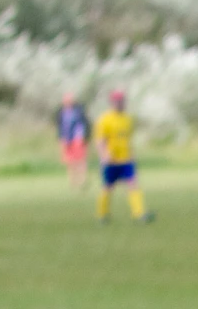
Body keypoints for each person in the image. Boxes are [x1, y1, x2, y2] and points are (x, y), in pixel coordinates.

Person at [93, 90, 149, 223]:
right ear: (112, 102)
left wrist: (132, 155)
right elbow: (100, 140)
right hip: (111, 160)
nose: (120, 103)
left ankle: (139, 213)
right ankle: (102, 214)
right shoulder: (105, 119)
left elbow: (128, 139)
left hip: (126, 159)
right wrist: (104, 156)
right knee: (107, 187)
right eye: (117, 101)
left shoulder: (127, 119)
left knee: (133, 184)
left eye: (122, 100)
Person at [57, 93, 90, 191]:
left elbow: (82, 125)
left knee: (80, 160)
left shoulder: (78, 111)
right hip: (66, 138)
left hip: (77, 138)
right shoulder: (62, 112)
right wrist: (61, 139)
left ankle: (82, 179)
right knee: (69, 161)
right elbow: (61, 126)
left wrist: (81, 137)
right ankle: (72, 181)